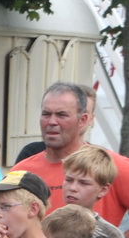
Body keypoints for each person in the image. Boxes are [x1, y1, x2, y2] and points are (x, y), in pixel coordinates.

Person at [11, 83, 129, 224]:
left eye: (62, 115)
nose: (52, 122)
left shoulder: (113, 166)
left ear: (83, 120)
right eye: (46, 114)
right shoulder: (21, 172)